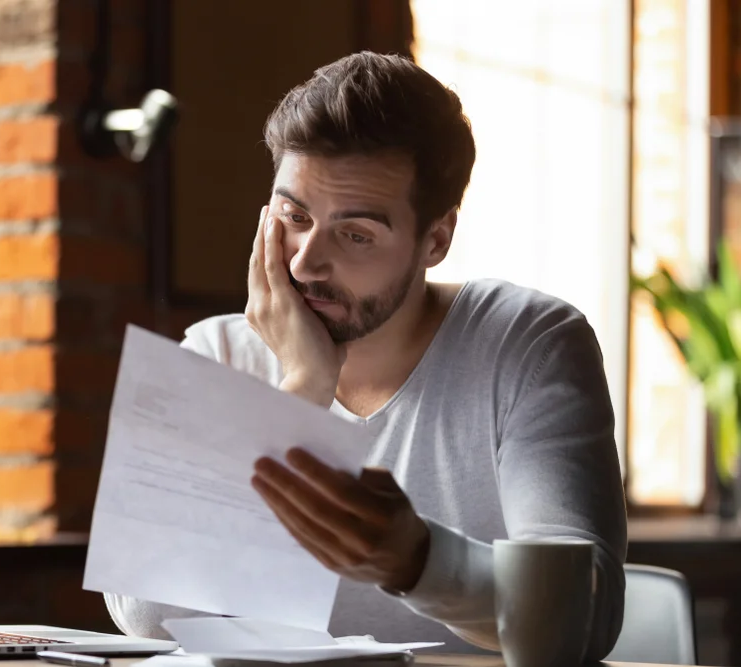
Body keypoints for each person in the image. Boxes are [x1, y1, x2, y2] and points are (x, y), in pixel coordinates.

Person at [105, 51, 627, 660]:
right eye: (293, 216)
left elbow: (582, 614)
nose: (303, 262)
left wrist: (418, 563)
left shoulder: (530, 343)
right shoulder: (216, 351)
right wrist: (300, 388)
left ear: (435, 239)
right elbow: (145, 614)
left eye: (355, 235)